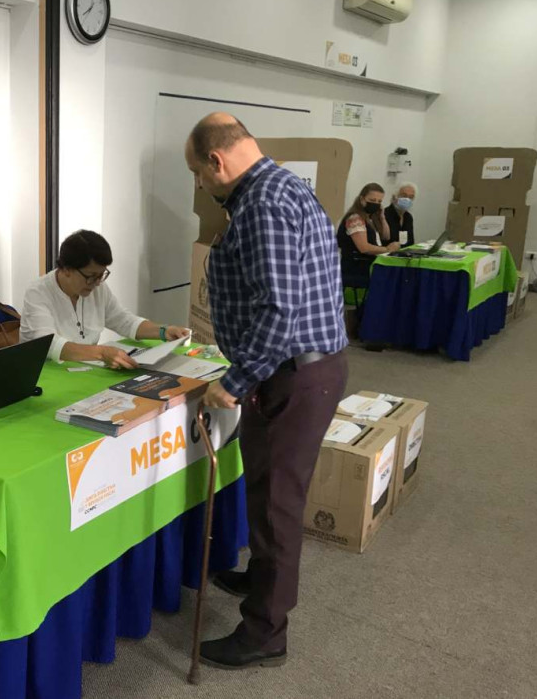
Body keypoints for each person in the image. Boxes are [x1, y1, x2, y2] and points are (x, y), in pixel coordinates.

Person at [184, 112, 349, 670]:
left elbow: (281, 311)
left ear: (216, 160)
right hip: (289, 370)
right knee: (264, 484)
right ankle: (260, 580)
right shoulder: (284, 187)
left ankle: (265, 634)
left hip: (291, 372)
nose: (202, 188)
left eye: (199, 176)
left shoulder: (262, 205)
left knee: (278, 505)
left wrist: (231, 383)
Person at [19, 229, 190, 368]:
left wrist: (163, 331)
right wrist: (102, 353)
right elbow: (48, 345)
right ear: (66, 269)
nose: (96, 283)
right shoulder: (38, 293)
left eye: (102, 275)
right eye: (91, 276)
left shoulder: (96, 288)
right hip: (44, 379)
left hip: (86, 372)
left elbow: (123, 320)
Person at [383, 182, 417, 248]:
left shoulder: (408, 217)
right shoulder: (384, 215)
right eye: (404, 195)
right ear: (394, 196)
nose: (407, 199)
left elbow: (410, 243)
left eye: (411, 197)